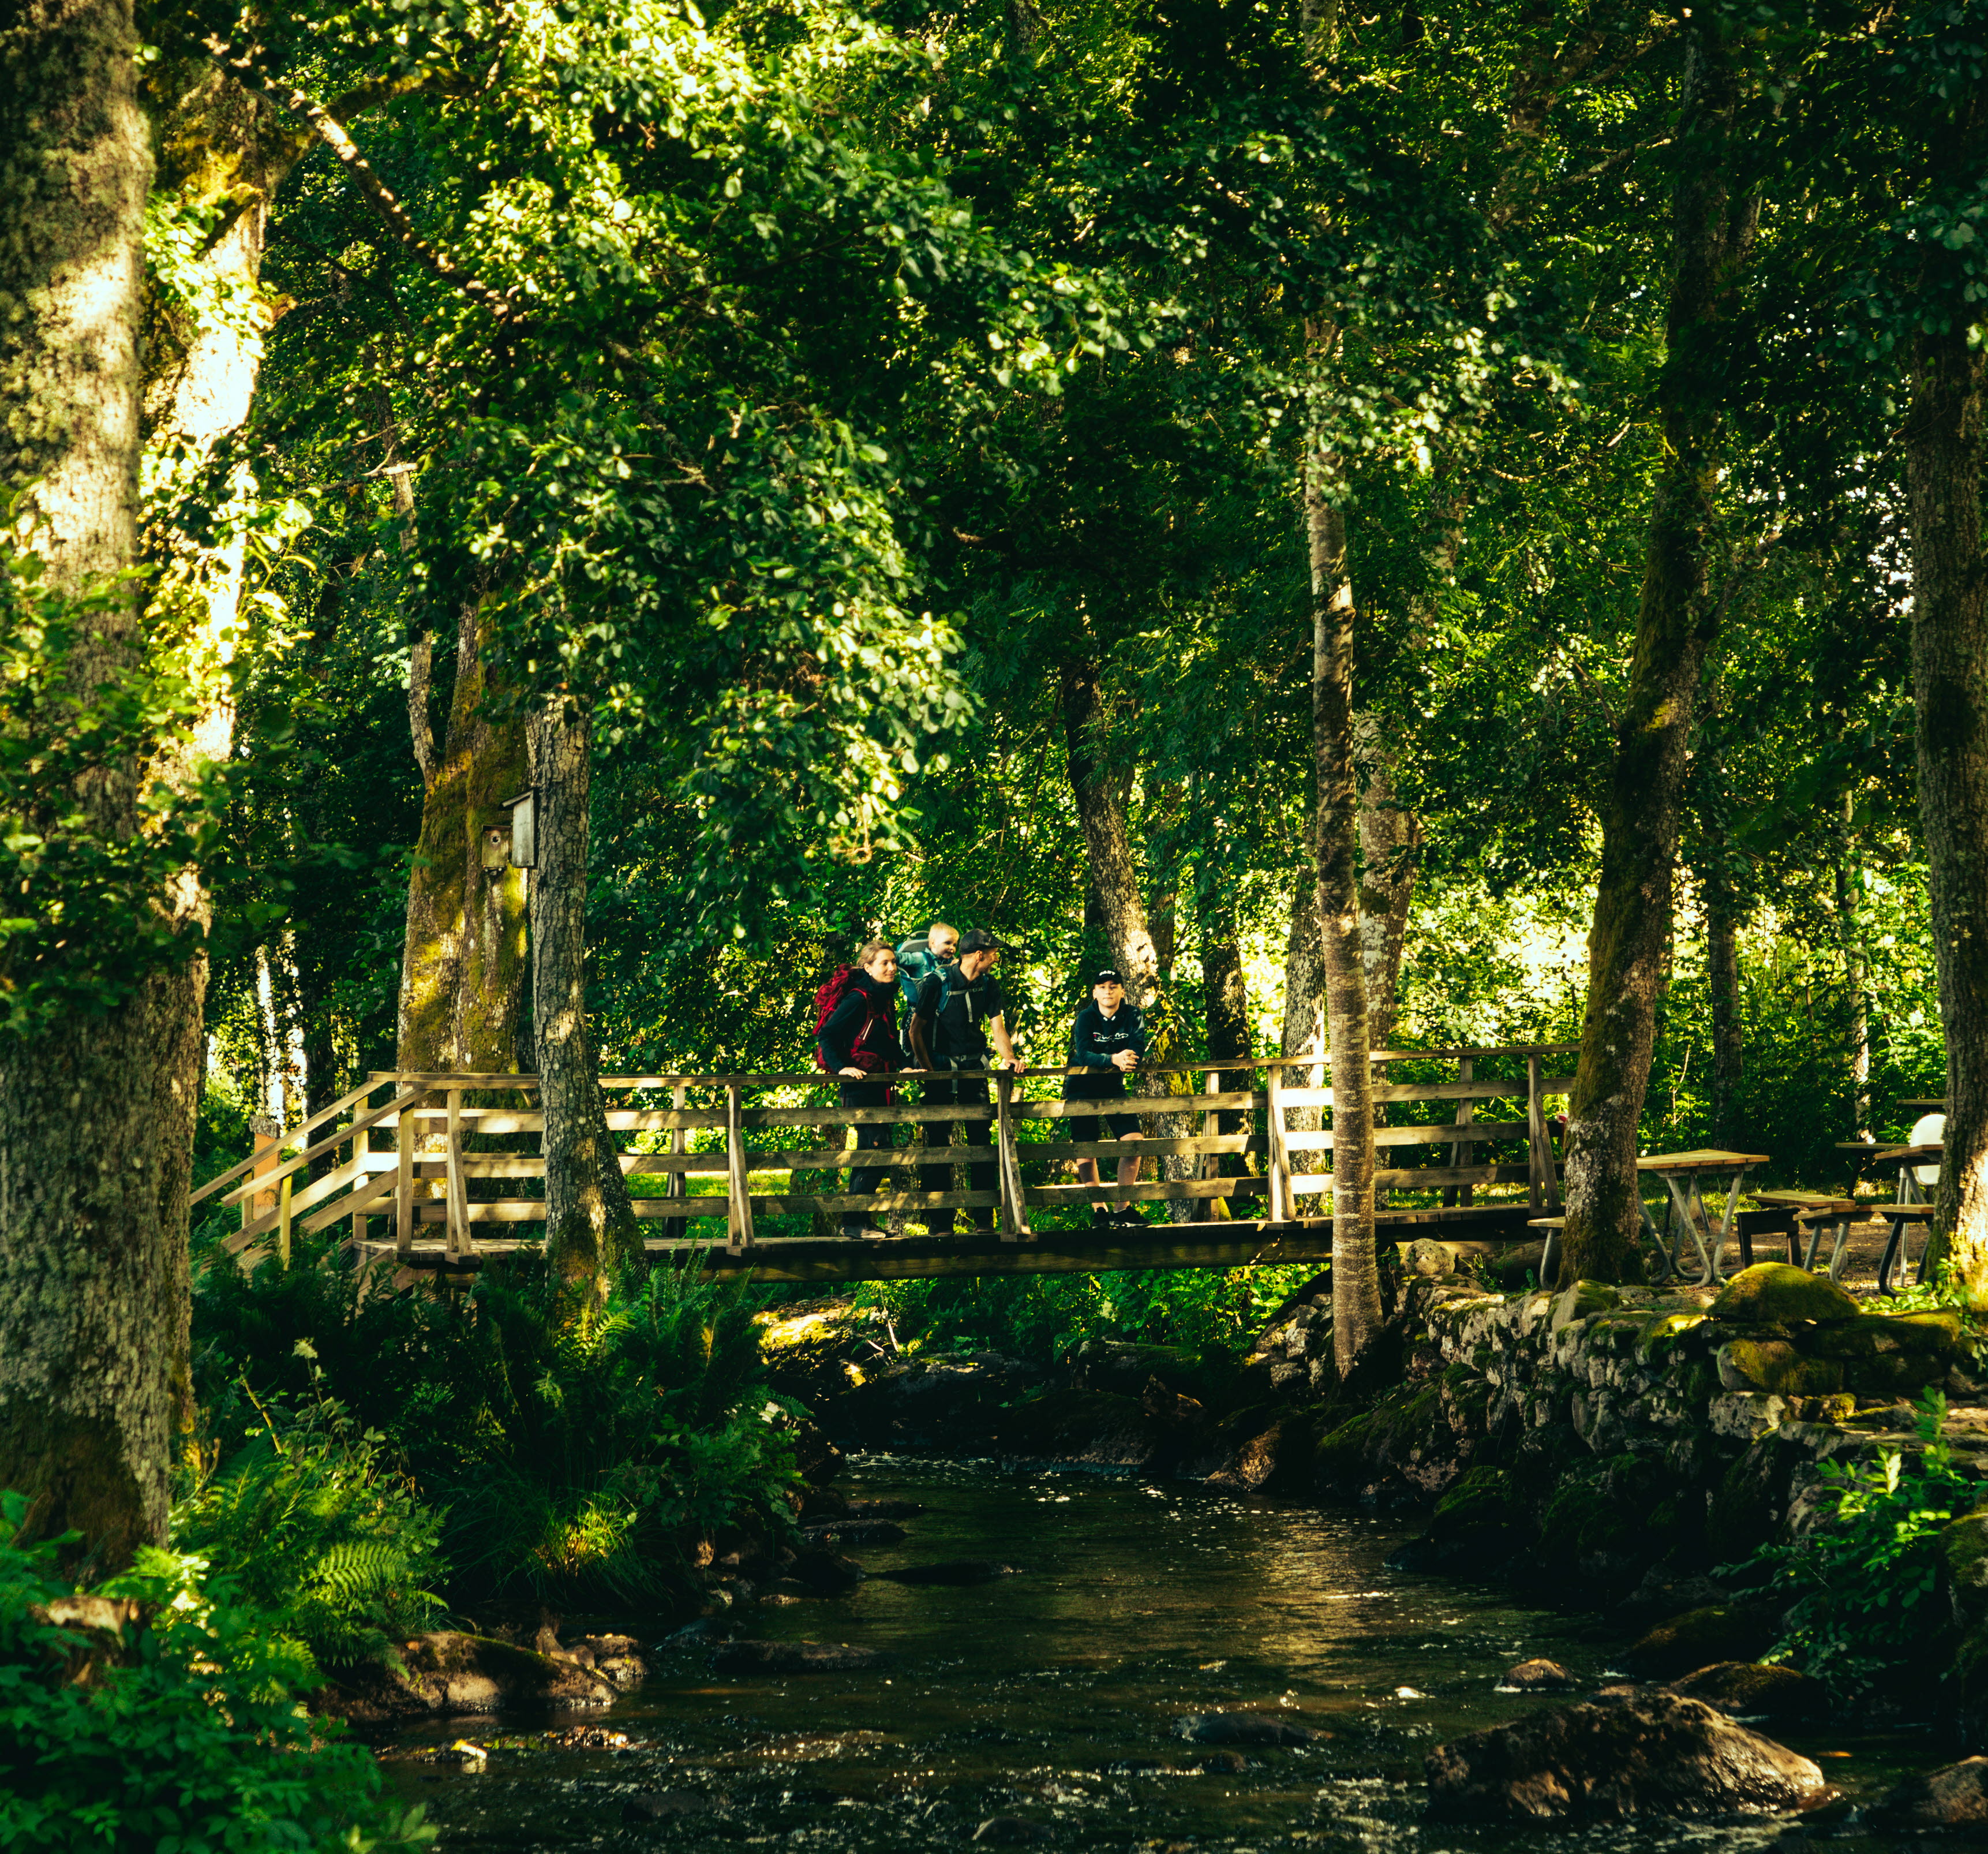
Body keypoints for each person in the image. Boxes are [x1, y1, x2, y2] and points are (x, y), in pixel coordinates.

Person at [910, 927, 1024, 1236]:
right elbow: (915, 1030)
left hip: (975, 1070)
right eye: (993, 954)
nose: (996, 959)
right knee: (937, 1146)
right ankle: (940, 1223)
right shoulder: (936, 982)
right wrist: (929, 1070)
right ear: (979, 955)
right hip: (941, 1071)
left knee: (982, 1146)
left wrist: (1010, 1058)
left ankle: (984, 1221)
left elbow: (998, 1028)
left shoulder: (989, 985)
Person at [817, 940, 905, 1240]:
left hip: (880, 1085)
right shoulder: (858, 999)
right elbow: (826, 1035)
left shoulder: (883, 998)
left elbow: (886, 1042)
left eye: (893, 962)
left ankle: (857, 1222)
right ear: (868, 967)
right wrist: (841, 1067)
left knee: (874, 1150)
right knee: (876, 1148)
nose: (892, 968)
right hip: (859, 1086)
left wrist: (905, 1065)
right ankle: (855, 1223)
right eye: (884, 963)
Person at [1066, 969, 1148, 1228]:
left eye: (1114, 986)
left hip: (1113, 1087)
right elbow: (1083, 1054)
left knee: (1133, 1142)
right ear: (1095, 992)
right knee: (1086, 1149)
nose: (1108, 991)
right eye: (1102, 987)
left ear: (1122, 991)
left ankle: (1122, 1209)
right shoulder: (1086, 1017)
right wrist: (1113, 1059)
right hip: (1081, 1087)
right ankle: (1099, 1211)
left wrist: (1129, 1058)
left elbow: (1137, 1048)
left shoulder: (1133, 1014)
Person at [894, 921, 958, 1037]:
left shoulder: (949, 963)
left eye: (954, 945)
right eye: (947, 943)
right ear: (933, 943)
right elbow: (897, 957)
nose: (952, 948)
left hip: (942, 1014)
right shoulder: (921, 958)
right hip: (920, 1014)